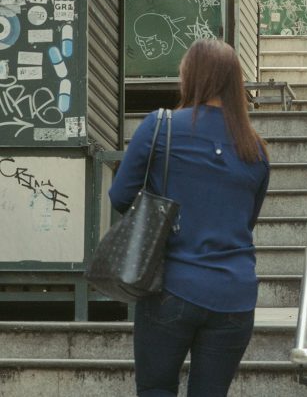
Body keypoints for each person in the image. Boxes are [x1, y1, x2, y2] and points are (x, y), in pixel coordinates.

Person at [109, 39, 270, 396]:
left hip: (172, 286)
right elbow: (247, 219)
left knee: (155, 389)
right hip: (235, 294)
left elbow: (120, 195)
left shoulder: (160, 127)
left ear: (191, 77)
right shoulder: (255, 147)